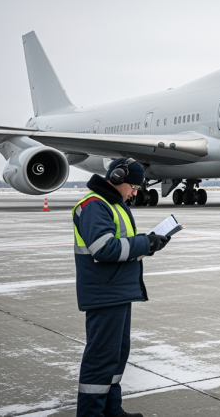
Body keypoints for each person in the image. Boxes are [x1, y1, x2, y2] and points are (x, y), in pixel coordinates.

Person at [72, 158, 170, 417]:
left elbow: (121, 243)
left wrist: (149, 243)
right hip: (105, 293)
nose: (135, 192)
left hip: (117, 290)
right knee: (100, 360)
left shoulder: (113, 204)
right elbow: (103, 249)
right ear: (116, 178)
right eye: (134, 187)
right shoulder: (95, 206)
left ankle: (112, 410)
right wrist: (145, 244)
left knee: (115, 357)